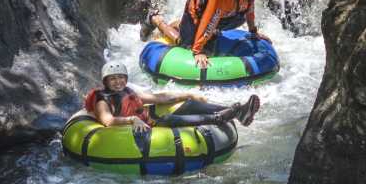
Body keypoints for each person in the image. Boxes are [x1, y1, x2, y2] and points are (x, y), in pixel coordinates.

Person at [140, 0, 271, 69]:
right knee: (185, 45)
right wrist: (197, 51)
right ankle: (157, 20)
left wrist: (253, 31)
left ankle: (182, 25)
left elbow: (250, 9)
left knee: (240, 17)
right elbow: (209, 19)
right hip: (197, 13)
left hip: (223, 15)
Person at [86, 62, 261, 130]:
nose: (118, 82)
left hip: (150, 119)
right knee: (170, 118)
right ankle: (218, 118)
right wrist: (132, 120)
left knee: (189, 104)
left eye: (120, 78)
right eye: (113, 79)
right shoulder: (103, 99)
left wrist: (187, 94)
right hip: (143, 129)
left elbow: (159, 98)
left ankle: (238, 111)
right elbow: (108, 120)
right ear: (106, 81)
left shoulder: (129, 92)